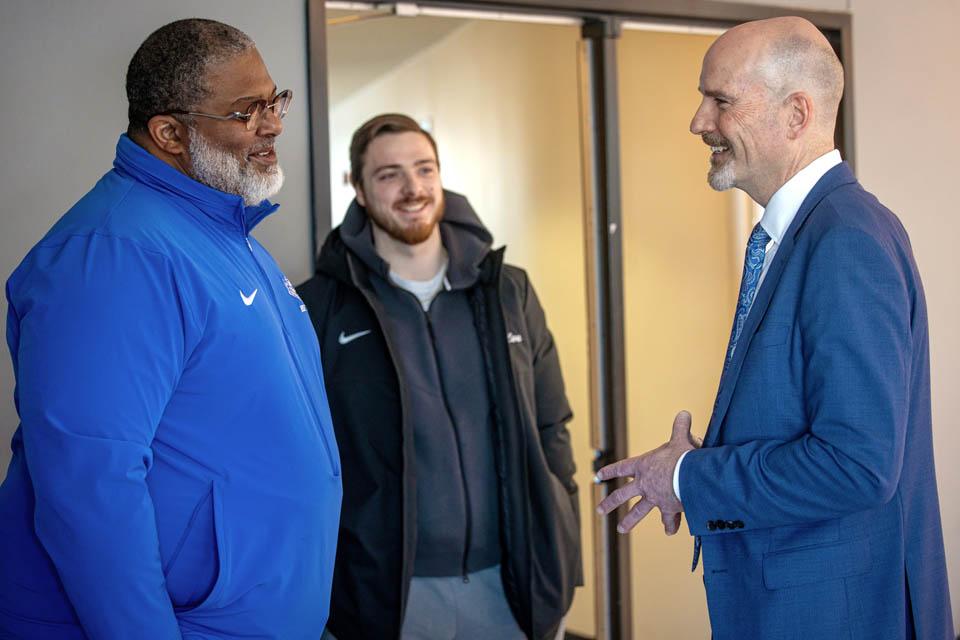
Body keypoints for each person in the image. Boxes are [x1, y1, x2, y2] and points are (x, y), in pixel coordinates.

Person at [596, 16, 953, 639]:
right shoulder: (811, 232)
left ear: (796, 114)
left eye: (721, 100)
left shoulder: (845, 239)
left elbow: (856, 466)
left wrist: (687, 476)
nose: (698, 121)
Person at [0, 19, 342, 639]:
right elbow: (89, 491)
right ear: (169, 133)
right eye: (247, 111)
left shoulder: (225, 236)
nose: (274, 124)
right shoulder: (114, 255)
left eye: (275, 100)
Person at [297, 113, 581, 640]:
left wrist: (557, 554)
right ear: (359, 190)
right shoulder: (320, 309)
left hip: (511, 590)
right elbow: (303, 463)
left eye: (424, 169)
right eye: (389, 175)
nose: (412, 189)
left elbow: (551, 429)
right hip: (388, 598)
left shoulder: (508, 292)